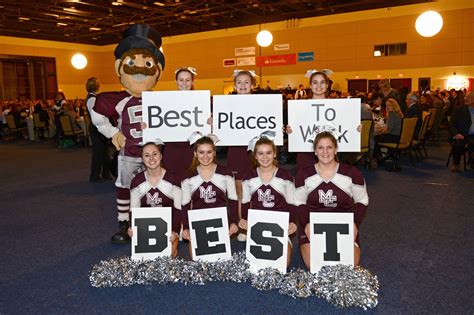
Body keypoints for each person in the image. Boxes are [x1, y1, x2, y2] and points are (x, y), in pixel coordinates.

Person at [91, 24, 166, 244]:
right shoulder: (116, 99)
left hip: (154, 154)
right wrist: (113, 133)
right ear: (120, 67)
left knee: (155, 187)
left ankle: (153, 221)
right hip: (129, 152)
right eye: (132, 63)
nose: (141, 70)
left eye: (148, 64)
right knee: (124, 188)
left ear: (158, 71)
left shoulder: (162, 99)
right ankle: (124, 223)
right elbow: (97, 115)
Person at [294, 131, 369, 270]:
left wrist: (354, 223)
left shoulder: (352, 173)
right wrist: (307, 224)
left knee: (349, 267)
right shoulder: (304, 174)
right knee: (315, 267)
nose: (325, 152)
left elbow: (362, 201)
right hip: (312, 225)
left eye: (329, 147)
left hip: (343, 226)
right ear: (315, 151)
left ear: (336, 150)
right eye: (320, 147)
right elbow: (299, 203)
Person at [239, 135, 297, 266]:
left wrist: (292, 222)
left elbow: (292, 203)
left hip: (280, 225)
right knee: (254, 266)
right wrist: (244, 219)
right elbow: (245, 203)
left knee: (283, 264)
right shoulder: (248, 177)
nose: (265, 157)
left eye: (268, 153)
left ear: (275, 153)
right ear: (255, 156)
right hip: (258, 226)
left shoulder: (285, 177)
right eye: (260, 153)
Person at [181, 134, 239, 257]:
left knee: (220, 263)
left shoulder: (225, 173)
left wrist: (234, 221)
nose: (205, 156)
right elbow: (185, 205)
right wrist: (186, 227)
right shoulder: (188, 176)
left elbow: (233, 199)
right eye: (201, 152)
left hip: (220, 222)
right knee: (197, 263)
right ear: (195, 154)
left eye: (209, 152)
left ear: (214, 153)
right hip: (197, 222)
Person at [127, 141, 181, 257]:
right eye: (146, 155)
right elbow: (133, 210)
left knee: (169, 257)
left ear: (161, 156)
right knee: (144, 261)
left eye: (154, 154)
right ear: (142, 159)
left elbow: (178, 209)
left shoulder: (174, 179)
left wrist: (175, 231)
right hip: (146, 226)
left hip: (169, 226)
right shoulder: (136, 181)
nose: (151, 158)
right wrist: (132, 227)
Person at [227, 69, 258, 241]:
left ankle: (254, 225)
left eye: (247, 82)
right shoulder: (227, 104)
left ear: (252, 85)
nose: (243, 85)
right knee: (239, 191)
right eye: (239, 82)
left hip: (255, 152)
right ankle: (241, 225)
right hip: (236, 151)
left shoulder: (261, 104)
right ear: (234, 85)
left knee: (255, 188)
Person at [161, 67, 198, 180]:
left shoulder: (200, 100)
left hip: (191, 147)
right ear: (176, 82)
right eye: (181, 80)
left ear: (192, 82)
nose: (184, 83)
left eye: (187, 80)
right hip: (172, 147)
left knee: (192, 181)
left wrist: (209, 121)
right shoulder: (166, 100)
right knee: (173, 182)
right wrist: (147, 125)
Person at [85, 77, 113, 183]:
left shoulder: (93, 97)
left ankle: (106, 173)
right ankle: (94, 176)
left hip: (99, 127)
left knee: (104, 151)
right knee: (98, 153)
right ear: (96, 86)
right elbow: (96, 114)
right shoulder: (92, 99)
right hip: (96, 127)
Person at [448, 92, 473, 172]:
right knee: (458, 145)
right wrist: (456, 134)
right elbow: (452, 124)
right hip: (462, 134)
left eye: (470, 97)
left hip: (473, 136)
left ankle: (472, 160)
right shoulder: (459, 109)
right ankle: (456, 163)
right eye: (467, 97)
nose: (466, 98)